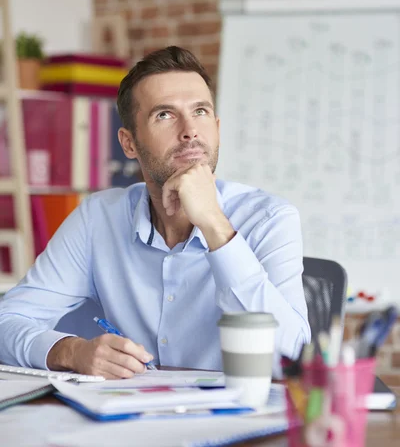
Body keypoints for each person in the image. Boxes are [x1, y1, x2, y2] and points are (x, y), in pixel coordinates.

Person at [0, 46, 310, 379]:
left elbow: (293, 360)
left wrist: (215, 226)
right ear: (129, 143)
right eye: (164, 115)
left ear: (217, 128)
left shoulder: (270, 219)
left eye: (201, 112)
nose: (190, 130)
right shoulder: (98, 219)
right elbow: (7, 323)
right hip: (126, 419)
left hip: (236, 422)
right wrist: (72, 352)